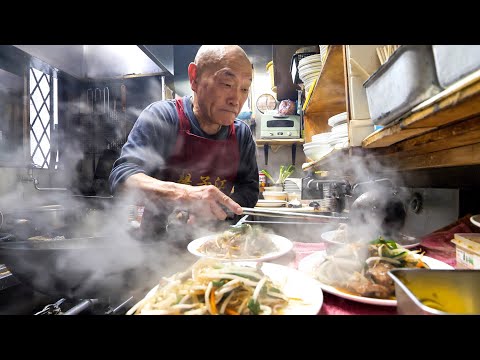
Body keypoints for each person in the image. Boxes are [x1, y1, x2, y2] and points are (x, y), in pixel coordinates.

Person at [109, 45, 259, 241]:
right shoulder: (161, 117)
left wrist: (218, 210)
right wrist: (185, 195)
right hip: (149, 243)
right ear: (194, 77)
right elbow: (122, 178)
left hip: (206, 242)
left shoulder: (241, 134)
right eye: (227, 84)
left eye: (245, 88)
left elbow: (249, 189)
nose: (236, 100)